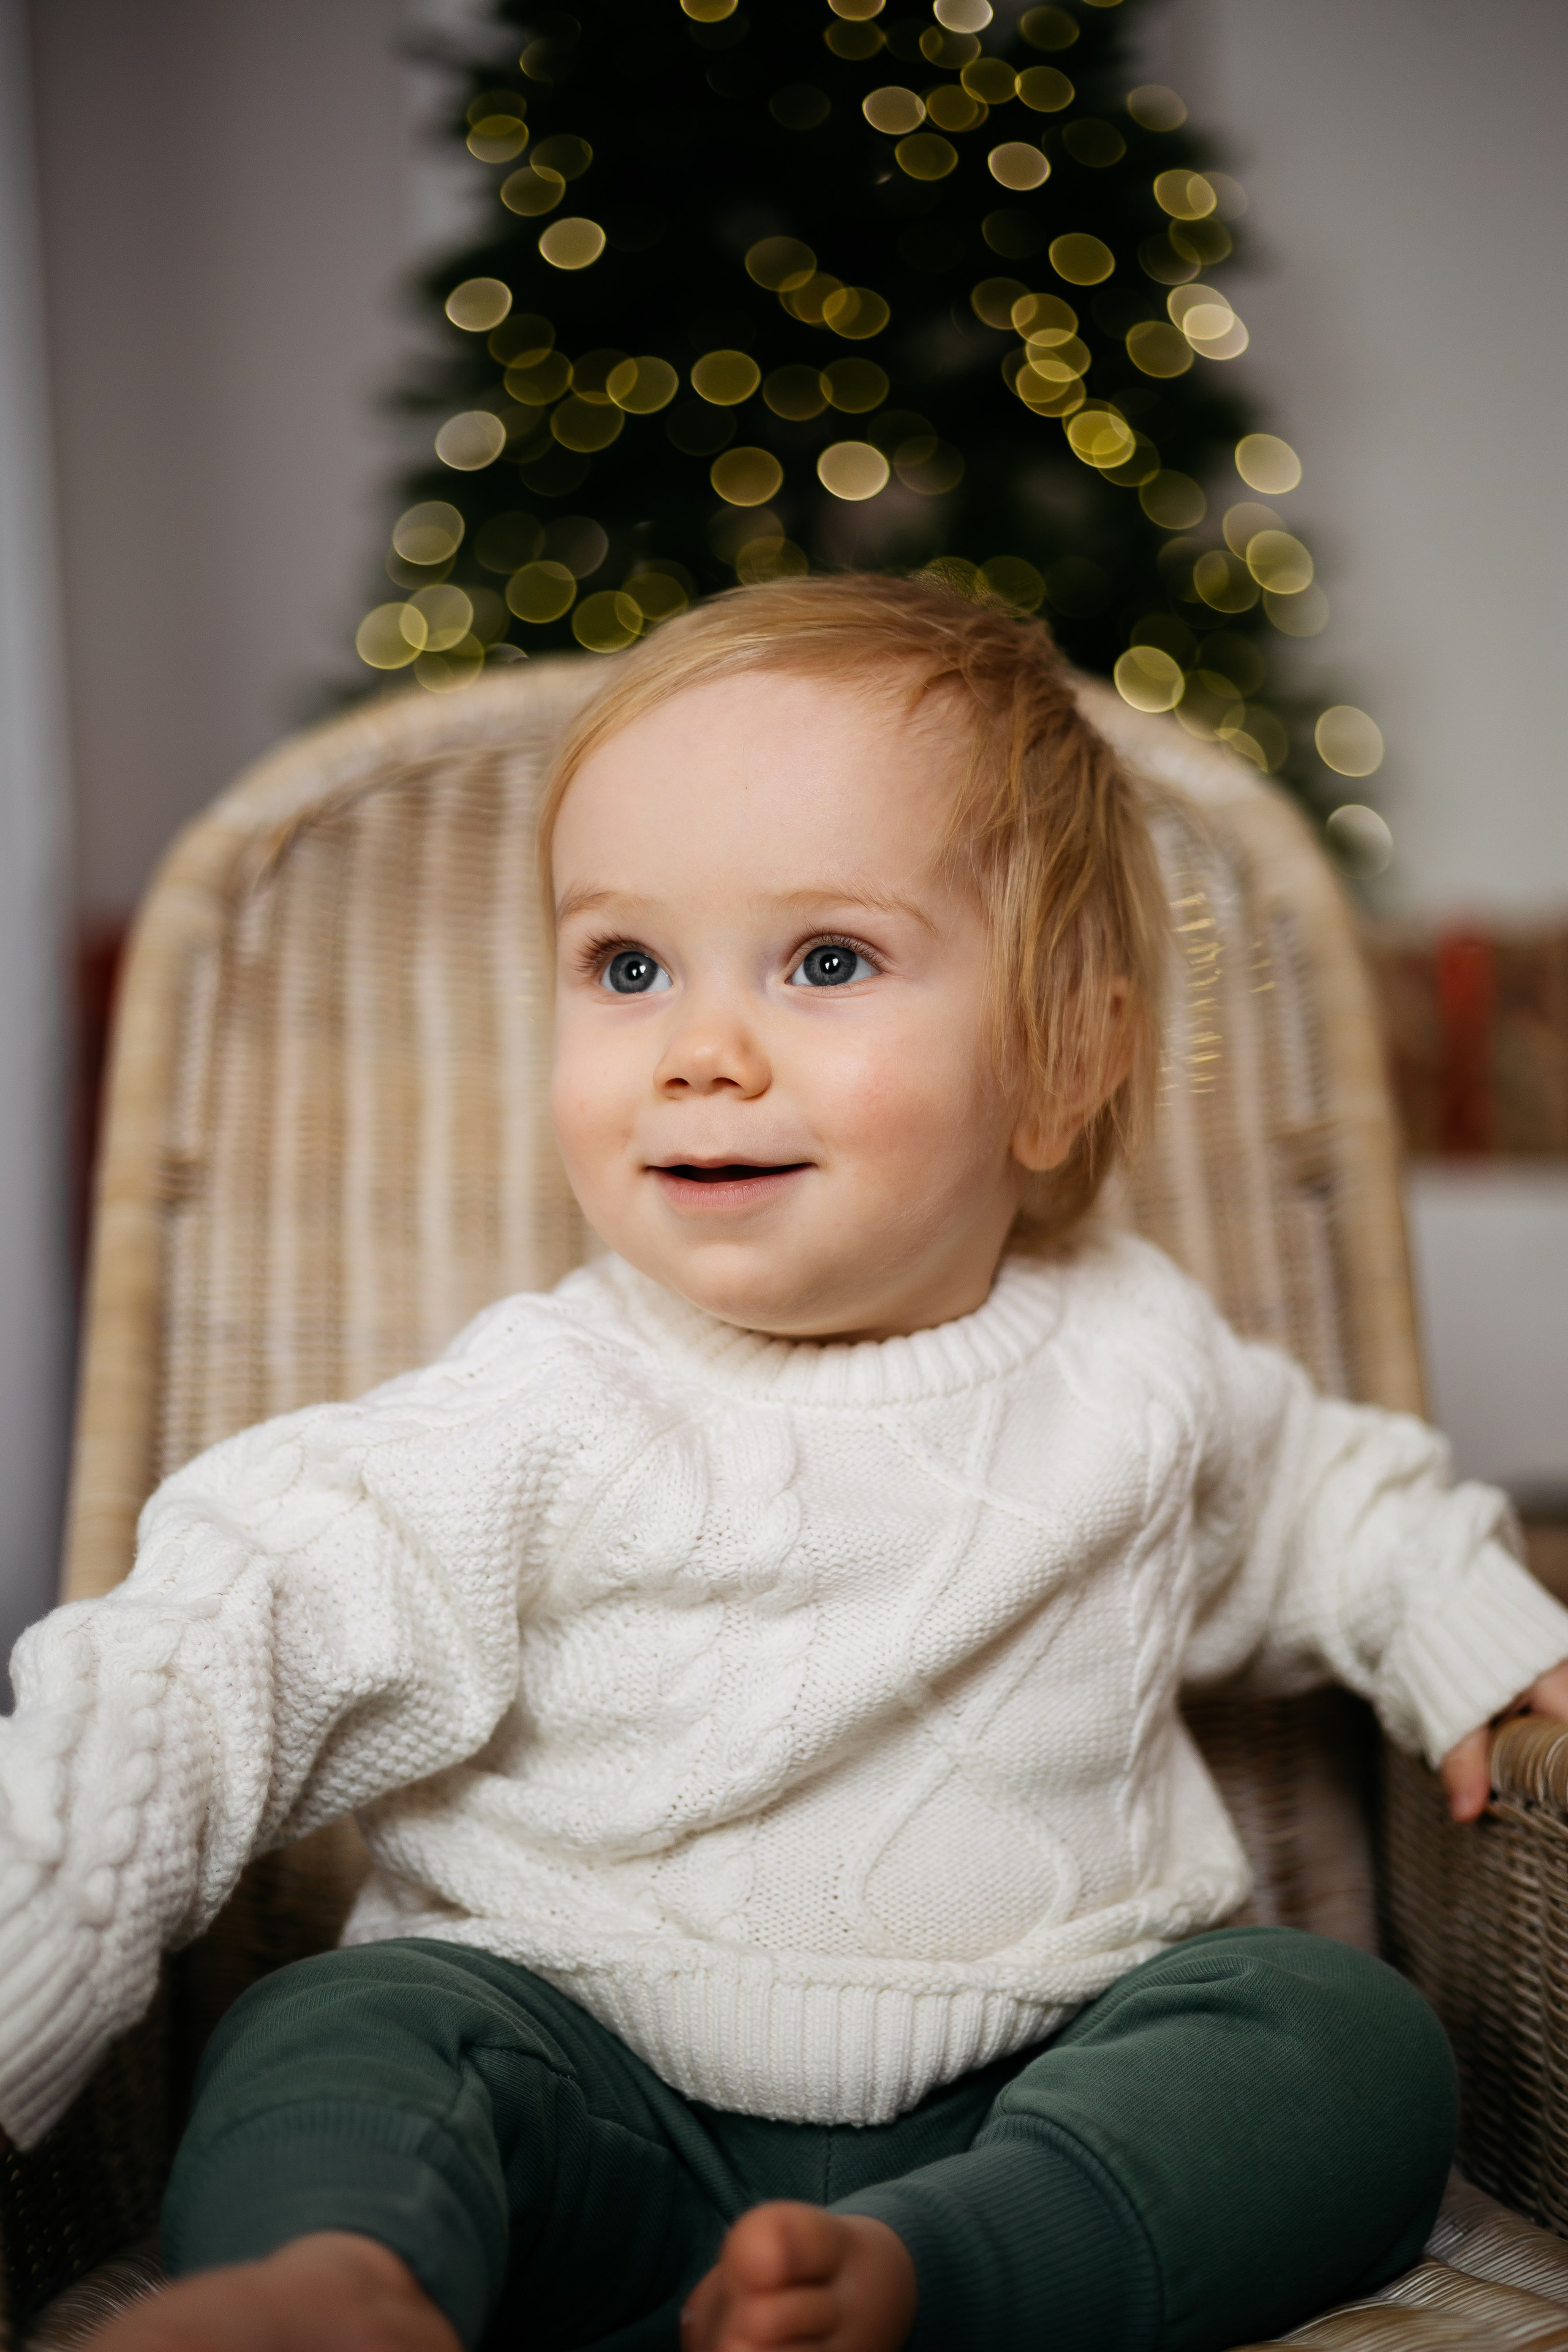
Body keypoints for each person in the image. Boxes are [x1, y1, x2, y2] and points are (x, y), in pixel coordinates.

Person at [11, 575, 1568, 2352]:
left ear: (1063, 1061)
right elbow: (211, 1655)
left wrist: (1469, 1623)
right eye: (625, 965)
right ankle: (343, 2285)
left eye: (826, 961)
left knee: (1338, 2037)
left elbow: (1331, 1505)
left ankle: (936, 2286)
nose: (699, 1050)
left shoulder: (1146, 1359)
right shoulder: (530, 1410)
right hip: (591, 2104)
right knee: (343, 2036)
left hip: (1038, 2100)